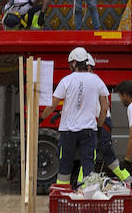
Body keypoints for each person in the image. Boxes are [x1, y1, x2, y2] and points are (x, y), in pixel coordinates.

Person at [41, 46, 109, 190]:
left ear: (73, 63)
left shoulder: (66, 80)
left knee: (64, 167)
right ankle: (87, 200)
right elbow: (104, 108)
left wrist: (41, 119)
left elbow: (53, 105)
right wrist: (100, 126)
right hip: (89, 131)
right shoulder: (97, 81)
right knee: (88, 168)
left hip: (67, 132)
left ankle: (62, 196)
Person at [71, 53, 132, 185]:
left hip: (101, 123)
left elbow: (101, 108)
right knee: (89, 156)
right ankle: (82, 183)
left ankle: (131, 183)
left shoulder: (90, 81)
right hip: (101, 123)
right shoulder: (92, 81)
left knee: (107, 157)